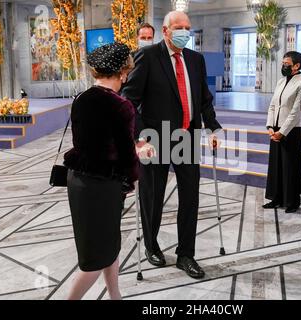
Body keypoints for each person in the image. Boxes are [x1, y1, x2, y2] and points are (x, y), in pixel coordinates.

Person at [121, 11, 222, 279]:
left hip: (187, 135)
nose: (184, 32)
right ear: (165, 31)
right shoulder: (148, 56)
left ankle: (186, 254)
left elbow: (203, 99)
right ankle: (151, 246)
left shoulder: (195, 59)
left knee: (190, 196)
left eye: (188, 28)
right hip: (156, 137)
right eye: (179, 27)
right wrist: (140, 137)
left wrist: (213, 126)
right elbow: (128, 101)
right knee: (153, 196)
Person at [63, 42, 139, 300]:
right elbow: (126, 154)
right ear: (122, 73)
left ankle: (115, 295)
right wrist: (131, 181)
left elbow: (88, 142)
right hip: (102, 185)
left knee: (108, 245)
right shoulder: (121, 106)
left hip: (79, 180)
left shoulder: (81, 98)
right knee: (94, 259)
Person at [263, 51, 301, 213]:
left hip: (291, 131)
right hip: (275, 130)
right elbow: (273, 105)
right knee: (276, 167)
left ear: (297, 66)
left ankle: (292, 201)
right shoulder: (281, 82)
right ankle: (276, 198)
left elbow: (295, 112)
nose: (284, 66)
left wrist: (282, 132)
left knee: (290, 167)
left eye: (287, 64)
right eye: (283, 63)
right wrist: (270, 127)